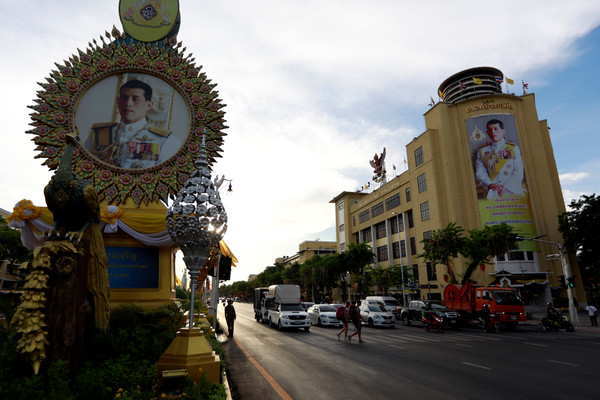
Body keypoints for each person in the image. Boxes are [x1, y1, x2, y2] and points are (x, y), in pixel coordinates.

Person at [85, 79, 181, 168]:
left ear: (149, 105)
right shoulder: (98, 133)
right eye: (124, 97)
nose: (128, 103)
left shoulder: (165, 140)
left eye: (136, 99)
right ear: (118, 101)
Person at [475, 118, 524, 199]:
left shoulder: (513, 148)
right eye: (490, 129)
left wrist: (506, 188)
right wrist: (490, 184)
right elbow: (480, 172)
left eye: (496, 129)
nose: (493, 132)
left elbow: (518, 171)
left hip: (512, 191)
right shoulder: (482, 151)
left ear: (503, 131)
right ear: (487, 132)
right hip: (492, 193)